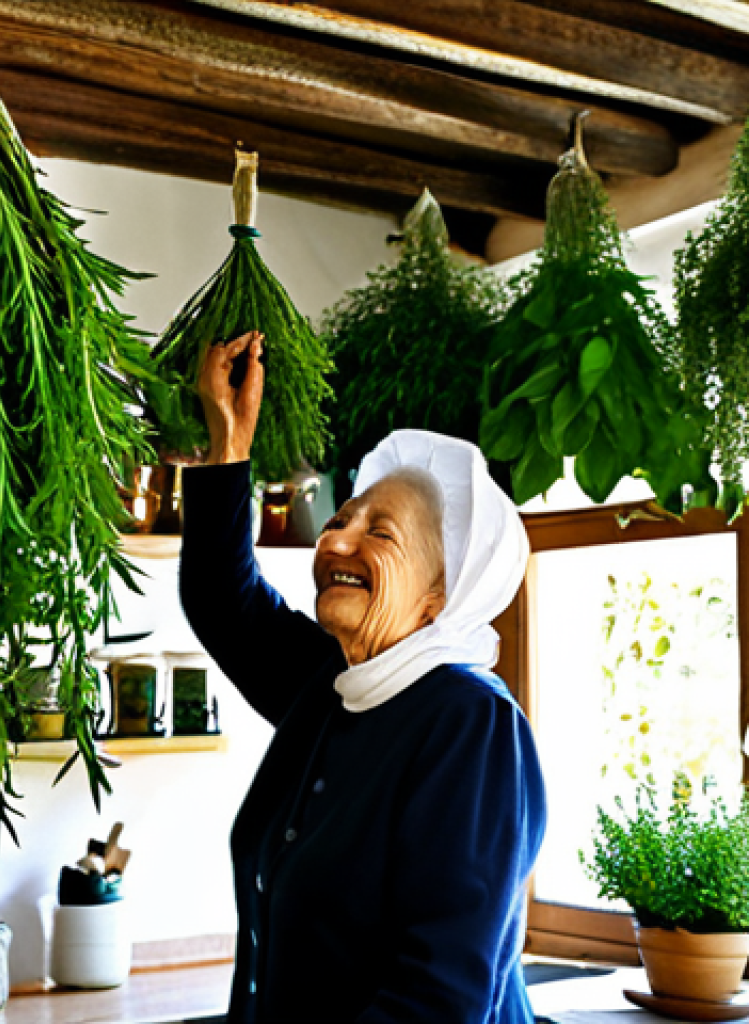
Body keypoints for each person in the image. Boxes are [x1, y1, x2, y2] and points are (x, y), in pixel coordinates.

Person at [179, 331, 547, 1024]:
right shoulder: (333, 684)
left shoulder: (470, 726)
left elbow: (441, 996)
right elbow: (224, 604)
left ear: (443, 595)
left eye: (381, 532)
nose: (338, 540)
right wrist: (228, 441)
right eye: (343, 518)